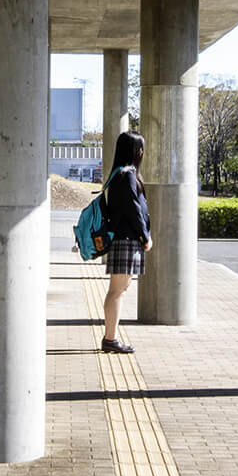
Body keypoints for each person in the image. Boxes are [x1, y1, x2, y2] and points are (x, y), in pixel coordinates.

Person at [100, 130, 150, 354]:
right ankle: (110, 338)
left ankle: (111, 337)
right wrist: (145, 236)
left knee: (119, 289)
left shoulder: (118, 174)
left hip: (123, 239)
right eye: (140, 148)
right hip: (127, 239)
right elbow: (133, 209)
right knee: (117, 291)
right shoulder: (128, 175)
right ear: (135, 151)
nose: (142, 152)